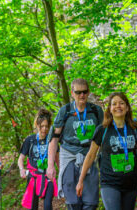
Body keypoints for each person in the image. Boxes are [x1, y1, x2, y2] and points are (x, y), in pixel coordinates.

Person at [76, 92, 137, 210]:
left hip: (131, 183)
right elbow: (90, 155)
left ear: (127, 107)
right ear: (110, 109)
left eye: (121, 103)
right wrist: (80, 180)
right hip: (110, 183)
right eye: (114, 104)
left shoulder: (135, 127)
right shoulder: (103, 129)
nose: (118, 106)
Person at [46, 78, 104, 210]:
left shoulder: (96, 111)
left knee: (91, 202)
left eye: (84, 92)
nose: (82, 95)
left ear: (88, 92)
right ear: (72, 93)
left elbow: (104, 135)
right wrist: (50, 165)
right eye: (78, 92)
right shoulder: (65, 111)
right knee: (73, 201)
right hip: (69, 156)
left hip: (89, 155)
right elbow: (54, 138)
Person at [18, 109, 59, 210]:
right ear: (37, 125)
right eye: (42, 126)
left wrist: (61, 173)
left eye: (46, 126)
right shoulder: (30, 140)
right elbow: (20, 159)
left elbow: (57, 160)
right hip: (34, 177)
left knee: (48, 205)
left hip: (48, 176)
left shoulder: (52, 141)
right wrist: (21, 169)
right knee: (33, 207)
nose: (44, 129)